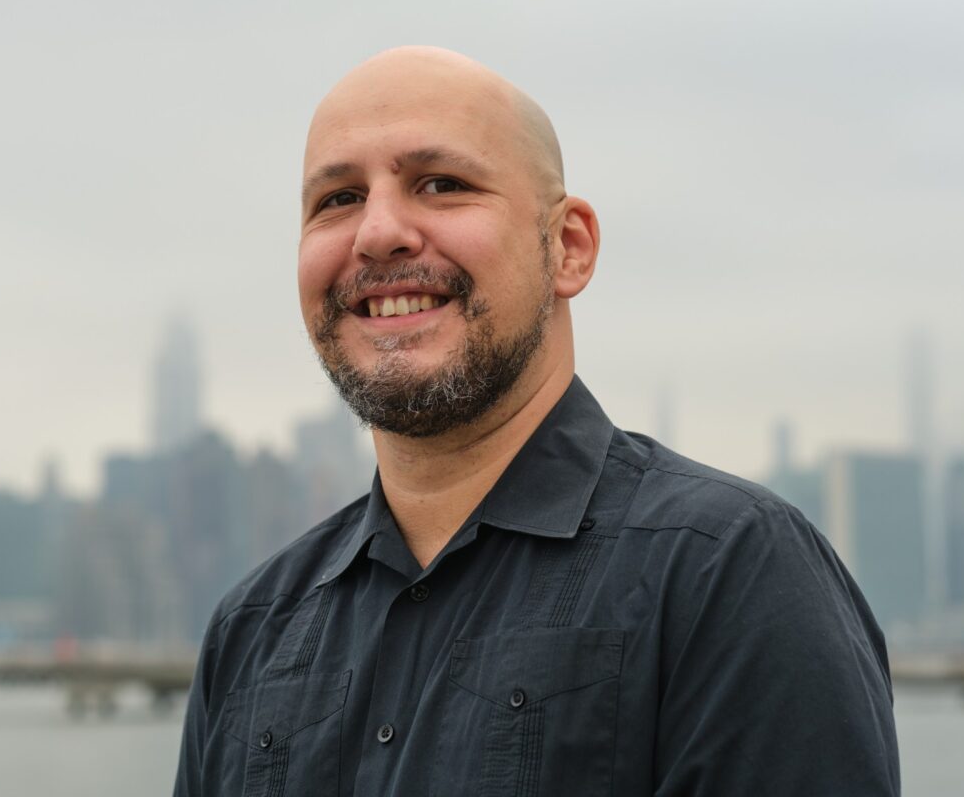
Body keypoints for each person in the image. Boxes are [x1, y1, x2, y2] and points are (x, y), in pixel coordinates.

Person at [174, 46, 900, 797]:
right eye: (337, 199)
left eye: (442, 184)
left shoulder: (728, 572)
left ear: (568, 248)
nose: (377, 233)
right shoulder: (252, 630)